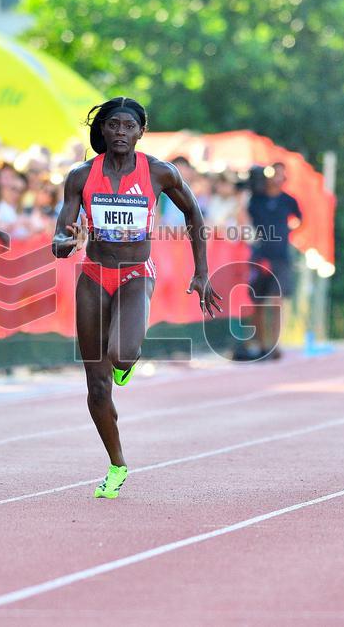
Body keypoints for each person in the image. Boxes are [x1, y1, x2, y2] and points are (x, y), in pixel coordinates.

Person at [52, 97, 222, 500]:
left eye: (129, 126)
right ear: (103, 132)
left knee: (123, 355)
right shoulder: (80, 176)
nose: (121, 133)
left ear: (141, 132)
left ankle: (123, 362)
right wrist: (64, 242)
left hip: (134, 274)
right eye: (113, 126)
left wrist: (201, 271)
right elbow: (63, 230)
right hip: (93, 276)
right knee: (96, 389)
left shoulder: (160, 173)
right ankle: (116, 464)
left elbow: (194, 214)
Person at [236, 163, 302, 360]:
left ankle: (275, 343)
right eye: (275, 174)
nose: (277, 179)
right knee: (256, 302)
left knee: (276, 300)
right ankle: (261, 343)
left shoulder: (289, 200)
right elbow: (243, 216)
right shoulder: (255, 199)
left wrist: (286, 232)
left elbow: (299, 219)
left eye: (282, 175)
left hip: (280, 257)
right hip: (259, 255)